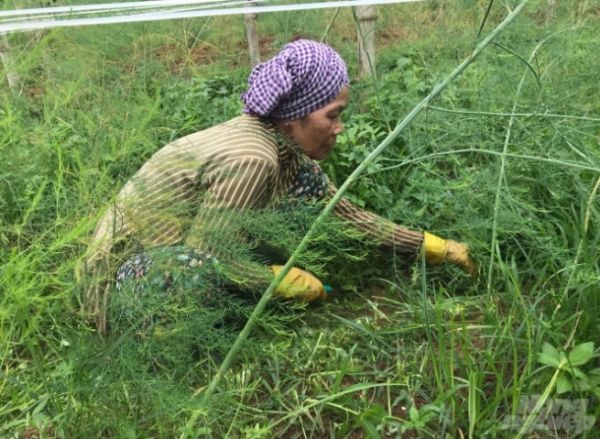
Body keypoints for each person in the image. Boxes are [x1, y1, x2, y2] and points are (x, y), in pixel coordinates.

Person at [80, 39, 476, 334]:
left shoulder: (284, 151)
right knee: (202, 273)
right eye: (333, 115)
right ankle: (172, 350)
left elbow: (345, 215)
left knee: (298, 199)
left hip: (174, 257)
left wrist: (434, 246)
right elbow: (201, 262)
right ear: (295, 115)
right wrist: (278, 279)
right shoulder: (255, 158)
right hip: (122, 286)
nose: (340, 129)